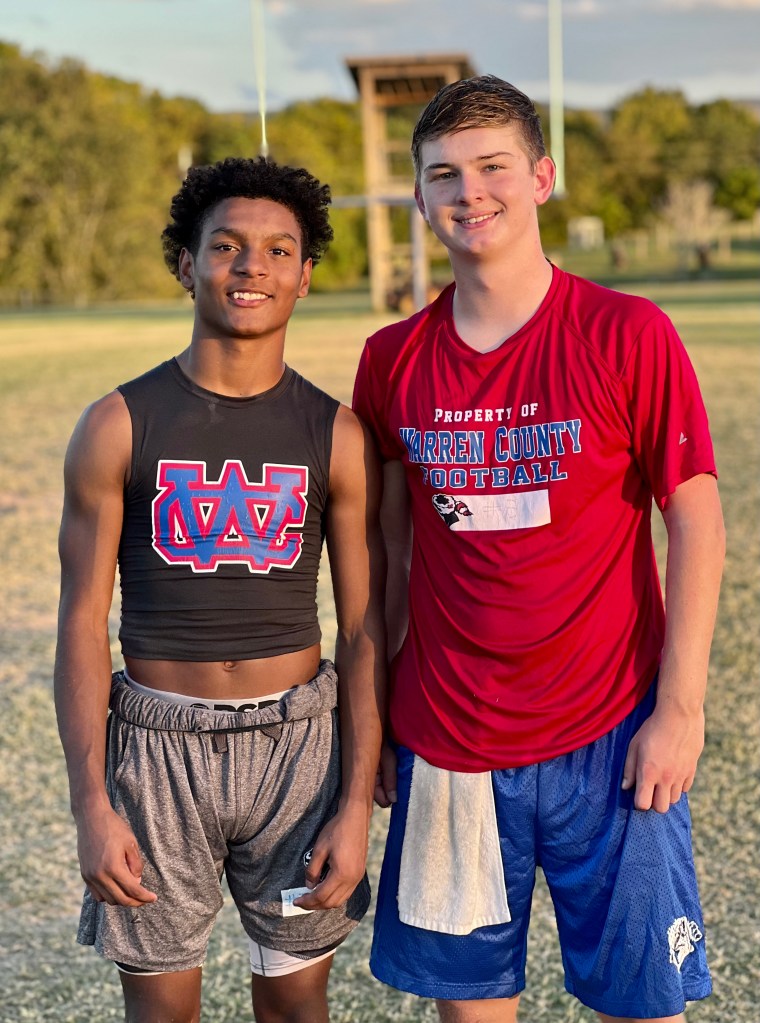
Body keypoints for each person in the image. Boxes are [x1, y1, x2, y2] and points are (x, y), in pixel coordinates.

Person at [352, 76, 725, 1023]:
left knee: (645, 1005)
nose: (470, 191)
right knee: (473, 1008)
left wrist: (680, 708)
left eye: (493, 167)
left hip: (615, 729)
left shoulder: (627, 332)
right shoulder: (392, 358)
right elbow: (390, 548)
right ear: (420, 196)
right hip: (450, 738)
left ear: (542, 177)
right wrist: (383, 713)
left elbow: (695, 518)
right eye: (444, 174)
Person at [54, 156, 385, 1023]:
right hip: (158, 747)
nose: (252, 266)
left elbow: (362, 630)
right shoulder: (117, 423)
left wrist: (355, 803)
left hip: (296, 751)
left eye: (279, 250)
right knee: (162, 1013)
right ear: (186, 263)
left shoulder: (337, 433)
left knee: (296, 1006)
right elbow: (82, 625)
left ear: (305, 277)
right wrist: (92, 804)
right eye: (227, 245)